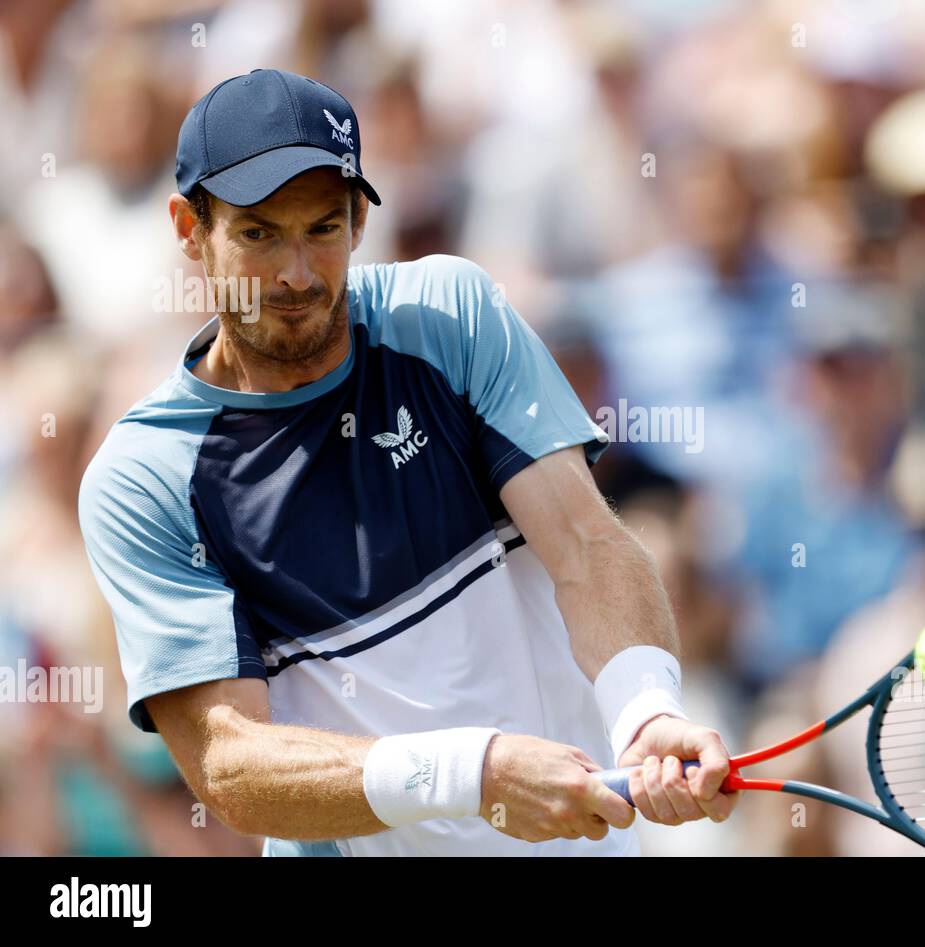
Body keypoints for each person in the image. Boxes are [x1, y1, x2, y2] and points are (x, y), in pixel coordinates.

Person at [77, 68, 734, 856]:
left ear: (358, 219)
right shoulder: (143, 478)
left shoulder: (452, 316)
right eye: (257, 233)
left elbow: (587, 544)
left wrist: (646, 710)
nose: (295, 273)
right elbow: (231, 762)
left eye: (323, 227)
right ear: (190, 229)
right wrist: (475, 773)